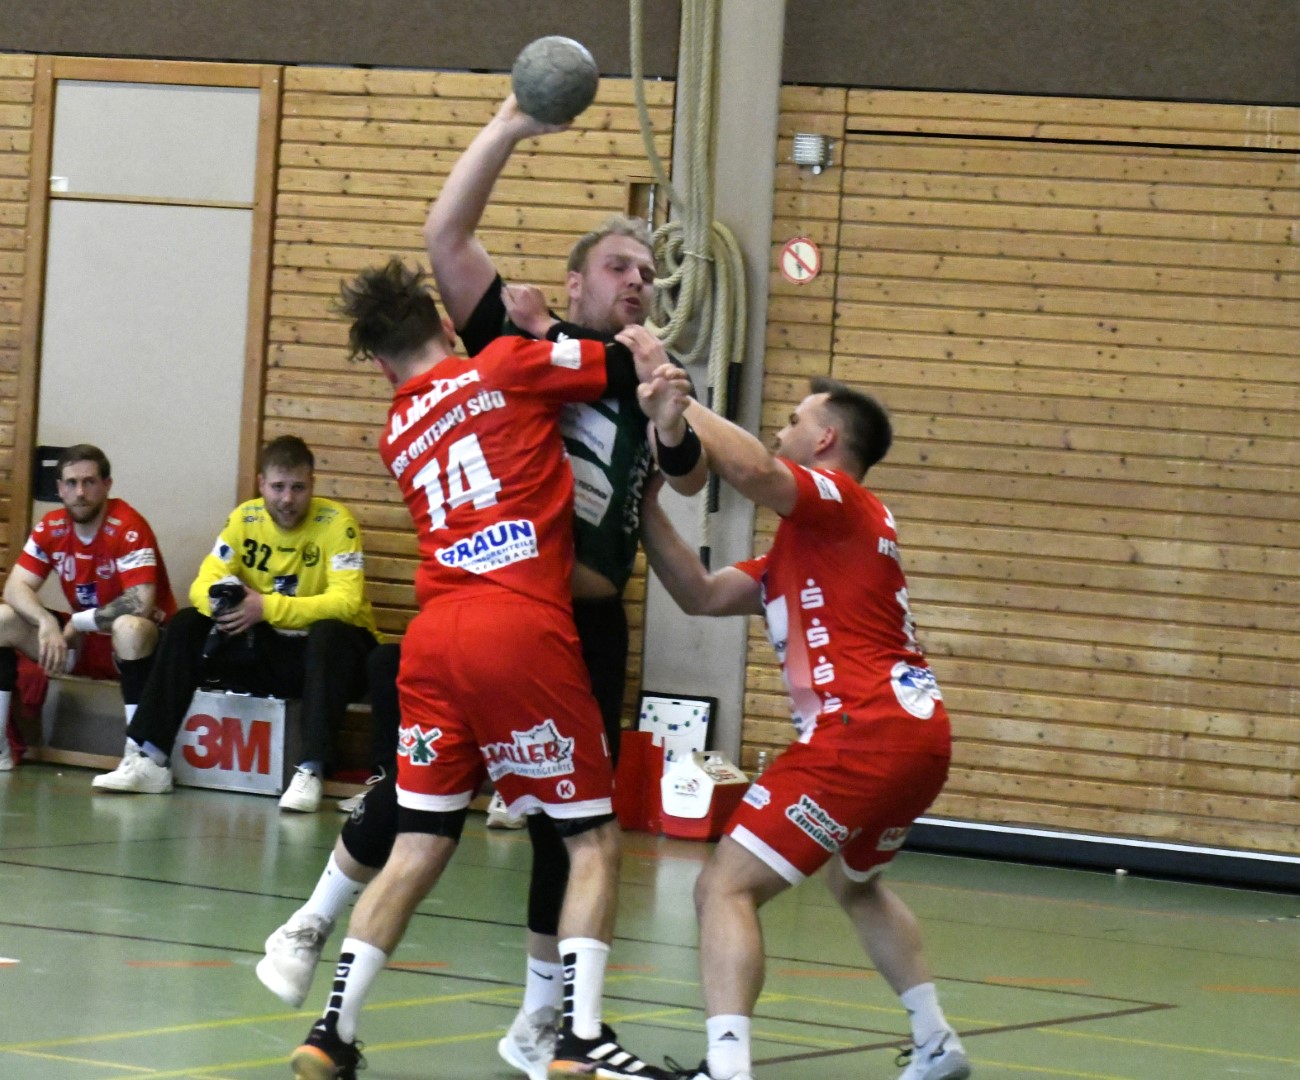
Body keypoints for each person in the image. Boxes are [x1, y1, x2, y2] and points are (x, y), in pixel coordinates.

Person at [259, 91, 706, 1080]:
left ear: (382, 360)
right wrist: (510, 129)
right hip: (523, 623)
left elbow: (675, 463)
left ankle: (333, 1029)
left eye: (646, 273)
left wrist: (661, 418)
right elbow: (571, 351)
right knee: (592, 838)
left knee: (426, 836)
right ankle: (580, 1037)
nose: (638, 282)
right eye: (622, 267)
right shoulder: (510, 358)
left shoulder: (398, 424)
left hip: (441, 627)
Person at [635, 371, 970, 1080]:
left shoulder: (840, 500)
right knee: (856, 885)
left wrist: (679, 400)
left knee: (723, 887)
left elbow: (754, 469)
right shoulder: (813, 543)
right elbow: (700, 595)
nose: (780, 431)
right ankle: (935, 1039)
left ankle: (727, 1069)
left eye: (793, 420)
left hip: (859, 733)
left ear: (826, 440)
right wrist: (643, 507)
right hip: (916, 739)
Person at [90, 436, 380, 813]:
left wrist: (265, 607)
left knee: (330, 632)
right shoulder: (245, 519)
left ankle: (311, 770)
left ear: (312, 484)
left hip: (334, 661)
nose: (287, 499)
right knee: (188, 624)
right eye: (278, 487)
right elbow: (202, 584)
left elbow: (346, 602)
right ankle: (151, 758)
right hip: (272, 652)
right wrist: (223, 601)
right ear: (261, 484)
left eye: (298, 488)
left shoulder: (337, 523)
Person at [0, 444, 176, 771]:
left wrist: (79, 622)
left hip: (139, 648)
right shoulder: (51, 526)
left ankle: (139, 759)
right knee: (2, 619)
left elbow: (140, 602)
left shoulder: (128, 525)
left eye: (89, 482)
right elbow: (14, 587)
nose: (80, 492)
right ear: (59, 488)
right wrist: (46, 622)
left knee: (129, 627)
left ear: (107, 485)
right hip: (81, 643)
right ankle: (1, 750)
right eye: (71, 483)